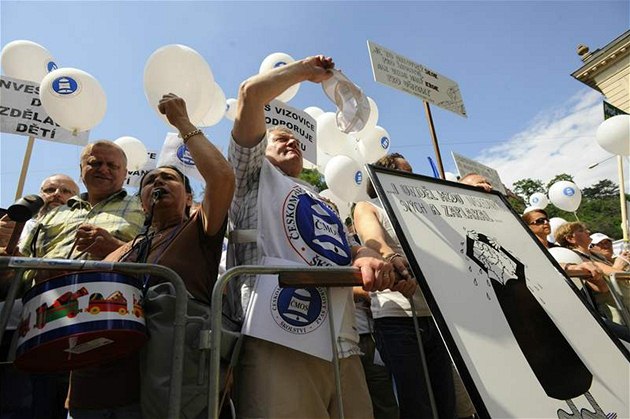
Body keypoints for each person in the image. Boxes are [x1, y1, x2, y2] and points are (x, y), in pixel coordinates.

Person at [226, 55, 395, 418]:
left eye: (298, 143)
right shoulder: (251, 177)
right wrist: (306, 72)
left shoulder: (322, 200)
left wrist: (367, 255)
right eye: (282, 140)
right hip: (279, 337)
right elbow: (250, 94)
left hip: (344, 343)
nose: (294, 145)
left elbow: (348, 249)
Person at [66, 94, 234, 418]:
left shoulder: (199, 229)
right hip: (101, 391)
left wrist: (183, 123)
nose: (157, 181)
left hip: (166, 392)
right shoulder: (122, 249)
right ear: (142, 202)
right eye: (149, 181)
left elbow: (222, 178)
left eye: (168, 178)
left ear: (189, 197)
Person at [354, 153, 456, 419]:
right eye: (405, 172)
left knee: (446, 403)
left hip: (436, 319)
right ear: (383, 175)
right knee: (416, 405)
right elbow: (374, 240)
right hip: (398, 320)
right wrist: (392, 258)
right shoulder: (368, 207)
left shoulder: (426, 215)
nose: (413, 177)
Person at [0, 174, 80, 249]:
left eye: (65, 191)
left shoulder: (81, 230)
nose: (56, 194)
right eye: (50, 190)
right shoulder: (17, 226)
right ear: (40, 195)